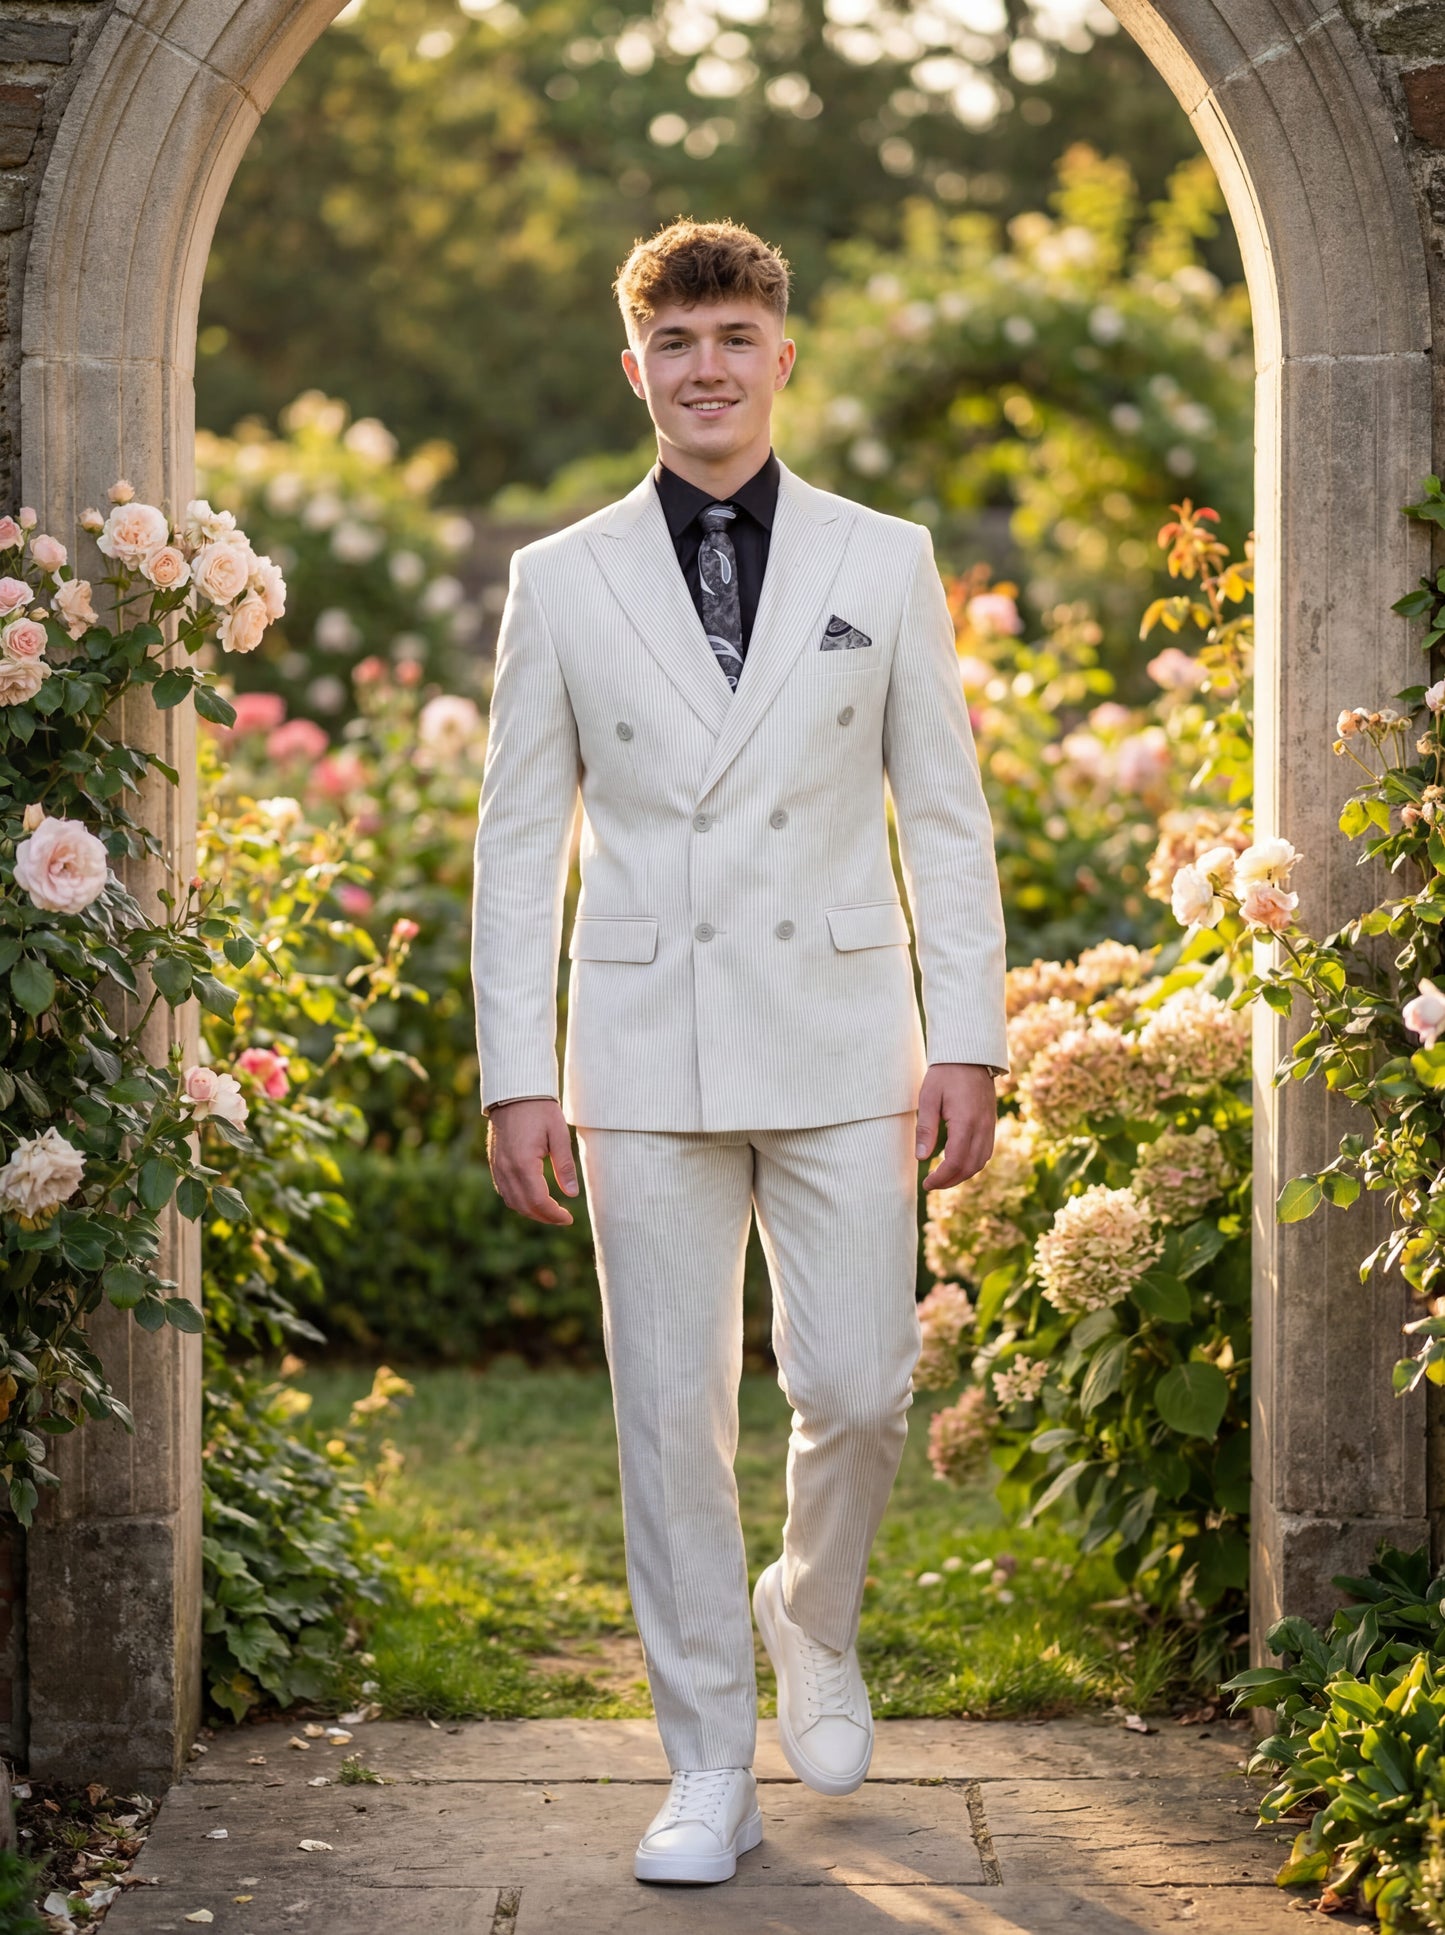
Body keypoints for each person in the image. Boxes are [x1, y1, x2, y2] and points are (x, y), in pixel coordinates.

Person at [471, 217, 1008, 1886]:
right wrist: (517, 1071)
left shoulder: (883, 558)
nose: (706, 369)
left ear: (781, 354)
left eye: (733, 338)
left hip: (848, 1033)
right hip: (645, 1046)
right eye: (675, 344)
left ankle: (811, 1614)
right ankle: (707, 1762)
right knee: (664, 1420)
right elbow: (514, 841)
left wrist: (967, 1038)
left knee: (856, 1387)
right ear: (634, 369)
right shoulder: (558, 579)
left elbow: (944, 812)